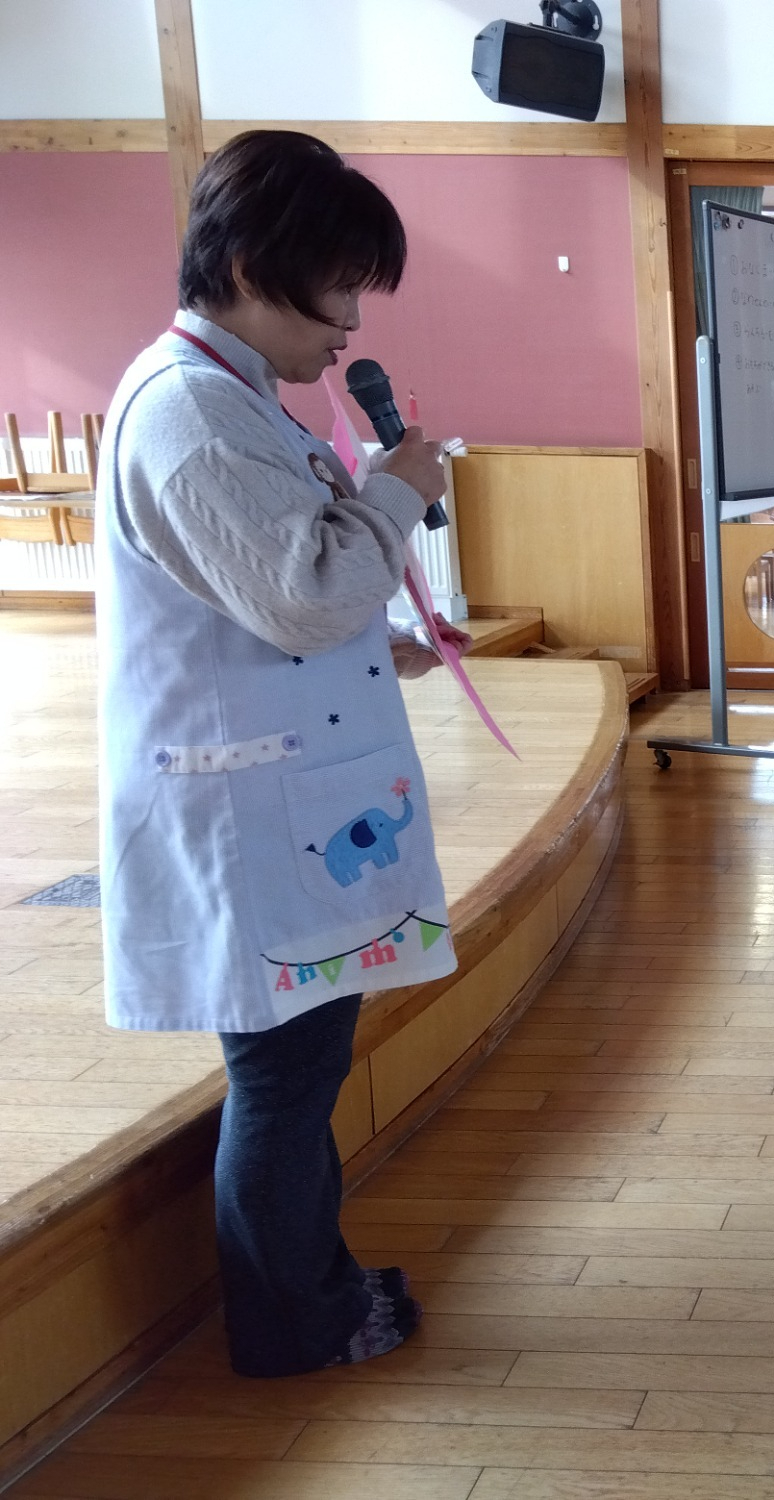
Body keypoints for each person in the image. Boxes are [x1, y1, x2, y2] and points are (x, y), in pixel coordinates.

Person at [96, 131, 464, 1377]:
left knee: (300, 1072)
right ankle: (293, 1323)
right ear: (255, 269)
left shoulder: (227, 395)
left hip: (278, 799)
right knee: (283, 1082)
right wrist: (400, 486)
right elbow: (306, 596)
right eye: (339, 290)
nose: (351, 324)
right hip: (244, 819)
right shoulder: (191, 415)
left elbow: (274, 590)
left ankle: (316, 1285)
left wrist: (385, 640)